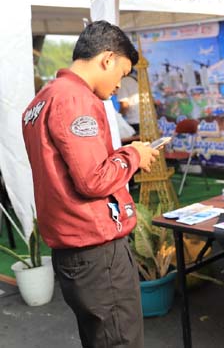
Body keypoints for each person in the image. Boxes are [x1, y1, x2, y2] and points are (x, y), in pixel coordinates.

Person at [22, 20, 160, 348]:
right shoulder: (75, 98)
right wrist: (133, 155)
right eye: (122, 74)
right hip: (97, 254)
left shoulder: (41, 100)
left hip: (73, 252)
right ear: (107, 59)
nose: (119, 85)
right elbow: (92, 179)